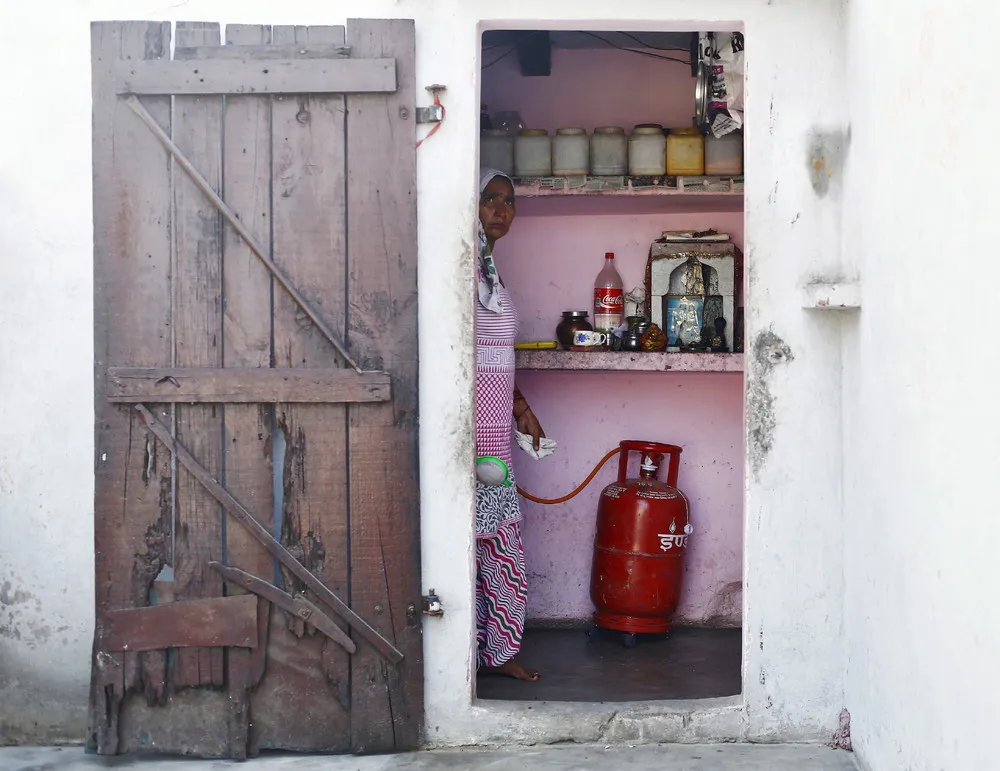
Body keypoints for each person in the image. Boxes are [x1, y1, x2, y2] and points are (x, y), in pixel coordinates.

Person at [475, 168, 544, 682]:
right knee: (465, 542)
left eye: (508, 201)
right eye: (490, 199)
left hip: (496, 430)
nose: (501, 209)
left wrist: (520, 409)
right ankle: (472, 657)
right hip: (466, 430)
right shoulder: (460, 268)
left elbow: (496, 354)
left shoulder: (489, 272)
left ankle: (497, 653)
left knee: (498, 541)